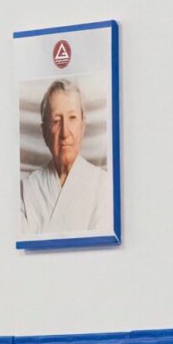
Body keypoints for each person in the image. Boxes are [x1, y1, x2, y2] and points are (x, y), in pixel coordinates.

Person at [20, 80, 113, 236]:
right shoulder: (28, 188)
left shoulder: (102, 185)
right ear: (44, 131)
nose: (65, 133)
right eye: (56, 121)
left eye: (72, 118)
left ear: (83, 126)